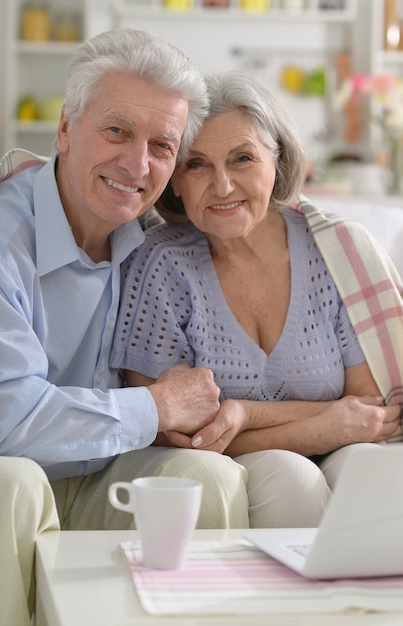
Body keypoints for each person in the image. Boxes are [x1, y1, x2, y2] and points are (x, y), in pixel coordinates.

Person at [0, 31, 249, 626]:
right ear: (64, 130)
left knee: (205, 478)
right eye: (116, 131)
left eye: (162, 145)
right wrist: (155, 407)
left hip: (99, 476)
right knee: (12, 483)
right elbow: (8, 425)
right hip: (5, 476)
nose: (138, 165)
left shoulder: (157, 243)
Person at [111, 69, 403, 528]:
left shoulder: (336, 251)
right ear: (174, 180)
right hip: (227, 468)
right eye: (197, 163)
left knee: (382, 472)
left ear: (279, 160)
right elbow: (169, 436)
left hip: (342, 449)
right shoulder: (161, 265)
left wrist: (244, 413)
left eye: (242, 158)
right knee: (291, 477)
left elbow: (368, 411)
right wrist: (318, 429)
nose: (223, 186)